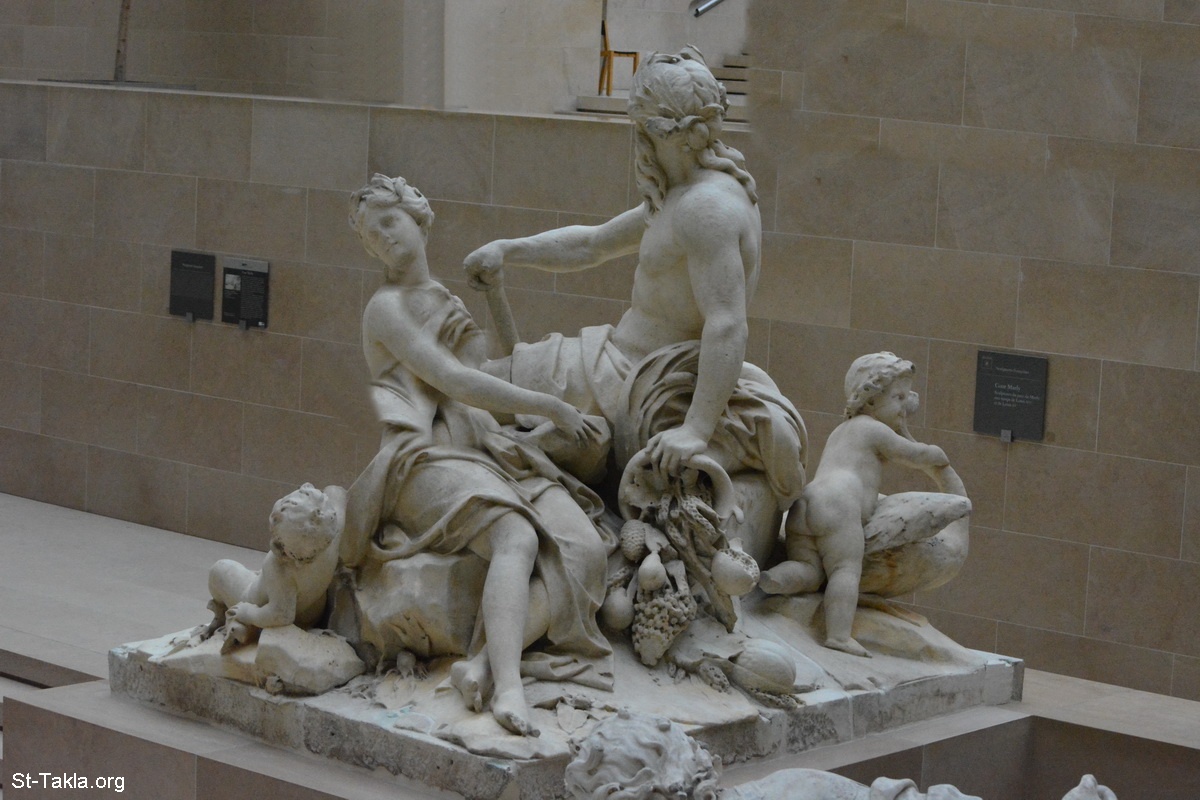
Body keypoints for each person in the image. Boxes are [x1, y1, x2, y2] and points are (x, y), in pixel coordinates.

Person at [463, 47, 805, 558]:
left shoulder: (705, 209)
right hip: (612, 357)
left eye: (639, 128)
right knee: (478, 388)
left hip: (632, 377)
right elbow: (594, 244)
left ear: (657, 131)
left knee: (469, 391)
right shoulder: (684, 194)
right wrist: (510, 250)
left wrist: (696, 429)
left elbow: (727, 324)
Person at [339, 174, 613, 737]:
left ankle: (483, 664)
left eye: (388, 222)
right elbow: (453, 380)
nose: (381, 239)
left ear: (418, 216)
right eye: (369, 236)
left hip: (486, 445)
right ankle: (509, 686)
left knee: (585, 548)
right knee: (517, 535)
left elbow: (495, 373)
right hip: (423, 457)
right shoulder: (385, 308)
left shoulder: (446, 300)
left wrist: (496, 297)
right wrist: (552, 407)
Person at [759, 353, 955, 657]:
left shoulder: (842, 430)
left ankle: (776, 580)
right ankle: (838, 636)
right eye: (898, 397)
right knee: (844, 569)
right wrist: (934, 453)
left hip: (807, 502)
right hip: (840, 502)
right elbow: (913, 455)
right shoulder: (872, 429)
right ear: (872, 400)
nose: (904, 406)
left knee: (811, 569)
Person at [201, 483, 345, 654]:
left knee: (220, 570)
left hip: (266, 607)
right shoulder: (334, 529)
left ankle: (232, 619)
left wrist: (248, 613)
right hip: (312, 613)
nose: (277, 547)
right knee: (266, 580)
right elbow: (337, 493)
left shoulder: (280, 566)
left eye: (282, 545)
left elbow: (281, 614)